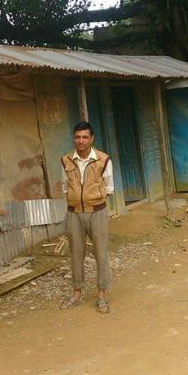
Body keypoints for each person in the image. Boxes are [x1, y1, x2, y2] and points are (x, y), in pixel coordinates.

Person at [59, 121, 113, 314]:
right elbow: (65, 186)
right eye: (77, 137)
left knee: (101, 254)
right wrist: (75, 201)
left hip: (97, 212)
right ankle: (76, 294)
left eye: (84, 137)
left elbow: (109, 187)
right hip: (74, 213)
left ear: (92, 139)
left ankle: (102, 295)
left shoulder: (103, 159)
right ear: (74, 138)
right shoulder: (66, 160)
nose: (80, 141)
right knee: (76, 255)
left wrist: (94, 200)